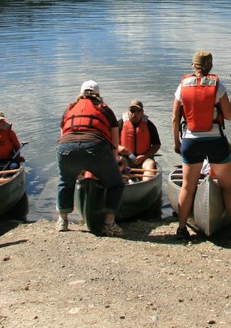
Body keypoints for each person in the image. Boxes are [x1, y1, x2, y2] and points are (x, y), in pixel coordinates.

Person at [171, 51, 231, 242]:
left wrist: (177, 142)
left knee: (187, 186)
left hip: (190, 141)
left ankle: (181, 229)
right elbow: (229, 115)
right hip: (215, 141)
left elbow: (175, 118)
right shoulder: (218, 87)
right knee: (227, 185)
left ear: (193, 66)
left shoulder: (182, 86)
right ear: (210, 66)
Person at [56, 80, 124, 236]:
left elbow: (62, 135)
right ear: (98, 95)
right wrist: (112, 165)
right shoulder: (105, 110)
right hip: (95, 148)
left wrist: (76, 167)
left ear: (81, 94)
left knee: (65, 181)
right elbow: (114, 142)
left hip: (65, 148)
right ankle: (109, 223)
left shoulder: (69, 110)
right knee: (116, 184)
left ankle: (63, 220)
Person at [117, 99, 161, 180]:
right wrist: (119, 148)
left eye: (138, 111)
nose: (135, 114)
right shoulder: (120, 124)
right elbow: (110, 143)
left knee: (150, 164)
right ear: (128, 112)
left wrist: (144, 156)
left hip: (144, 158)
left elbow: (156, 145)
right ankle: (123, 183)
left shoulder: (149, 125)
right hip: (125, 158)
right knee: (118, 163)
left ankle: (145, 185)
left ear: (142, 112)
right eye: (132, 111)